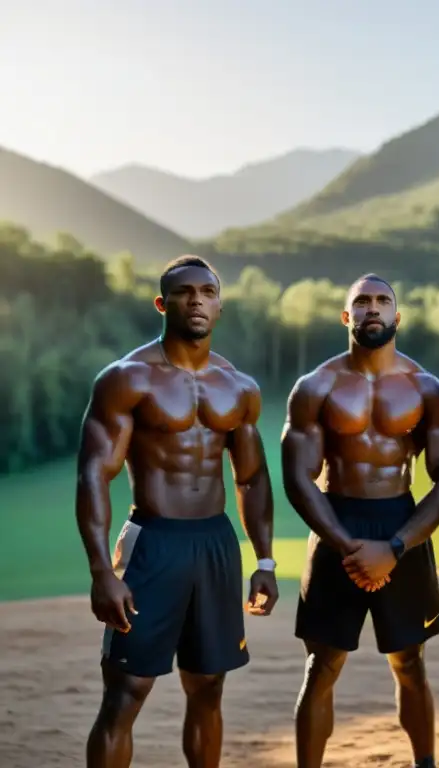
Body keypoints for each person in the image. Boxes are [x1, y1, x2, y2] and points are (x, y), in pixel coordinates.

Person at [75, 255, 278, 768]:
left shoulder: (239, 387)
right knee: (127, 692)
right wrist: (102, 571)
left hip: (215, 543)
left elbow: (251, 478)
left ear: (219, 305)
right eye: (185, 292)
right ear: (163, 304)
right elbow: (96, 475)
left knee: (209, 688)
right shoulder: (127, 379)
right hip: (154, 541)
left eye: (207, 292)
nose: (197, 301)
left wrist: (267, 560)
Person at [281, 273, 439, 768]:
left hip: (402, 520)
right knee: (321, 666)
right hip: (336, 523)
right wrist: (344, 545)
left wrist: (395, 548)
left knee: (411, 664)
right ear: (346, 315)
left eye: (382, 301)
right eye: (361, 301)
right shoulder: (315, 386)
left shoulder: (428, 388)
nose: (372, 308)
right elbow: (299, 477)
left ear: (397, 316)